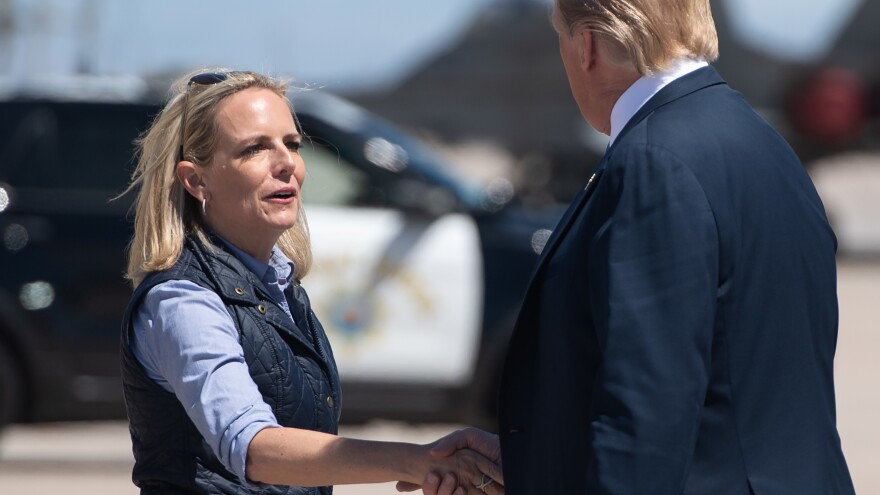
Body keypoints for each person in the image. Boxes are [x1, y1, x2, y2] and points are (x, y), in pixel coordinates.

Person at [411, 0, 857, 494]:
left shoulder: (652, 162)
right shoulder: (762, 144)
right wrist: (537, 458)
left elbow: (646, 410)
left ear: (587, 46)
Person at [118, 68, 504, 495]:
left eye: (292, 144)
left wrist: (438, 463)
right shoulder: (182, 300)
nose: (286, 163)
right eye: (254, 149)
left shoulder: (280, 284)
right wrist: (414, 460)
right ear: (196, 180)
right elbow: (254, 447)